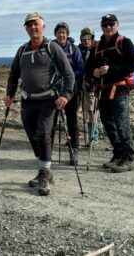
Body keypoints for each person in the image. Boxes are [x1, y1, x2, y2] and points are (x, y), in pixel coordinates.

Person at [5, 12, 74, 196]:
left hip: (47, 101)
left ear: (43, 26)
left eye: (36, 24)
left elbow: (69, 74)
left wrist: (66, 95)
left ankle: (44, 174)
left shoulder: (52, 47)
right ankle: (45, 170)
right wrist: (9, 94)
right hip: (27, 101)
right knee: (33, 136)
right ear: (26, 29)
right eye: (29, 25)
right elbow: (13, 73)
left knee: (44, 134)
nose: (33, 28)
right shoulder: (22, 50)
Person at [84, 14, 134, 173]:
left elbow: (132, 64)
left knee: (121, 123)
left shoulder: (124, 42)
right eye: (105, 24)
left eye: (111, 24)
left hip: (120, 88)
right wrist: (93, 72)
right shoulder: (97, 46)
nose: (108, 27)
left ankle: (128, 157)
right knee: (108, 123)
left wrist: (111, 69)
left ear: (117, 25)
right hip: (103, 89)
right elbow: (88, 67)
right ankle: (118, 153)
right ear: (101, 27)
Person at [52, 22, 84, 165]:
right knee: (50, 122)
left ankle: (74, 150)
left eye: (64, 32)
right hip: (53, 91)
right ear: (55, 34)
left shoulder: (74, 50)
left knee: (72, 121)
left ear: (67, 34)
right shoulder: (49, 48)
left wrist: (67, 77)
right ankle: (46, 152)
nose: (61, 35)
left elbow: (80, 69)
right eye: (59, 32)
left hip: (71, 92)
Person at [79, 27, 99, 146]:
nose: (86, 41)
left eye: (88, 39)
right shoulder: (77, 50)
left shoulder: (96, 51)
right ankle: (73, 136)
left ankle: (93, 138)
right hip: (78, 84)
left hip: (90, 85)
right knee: (76, 109)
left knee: (91, 110)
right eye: (84, 39)